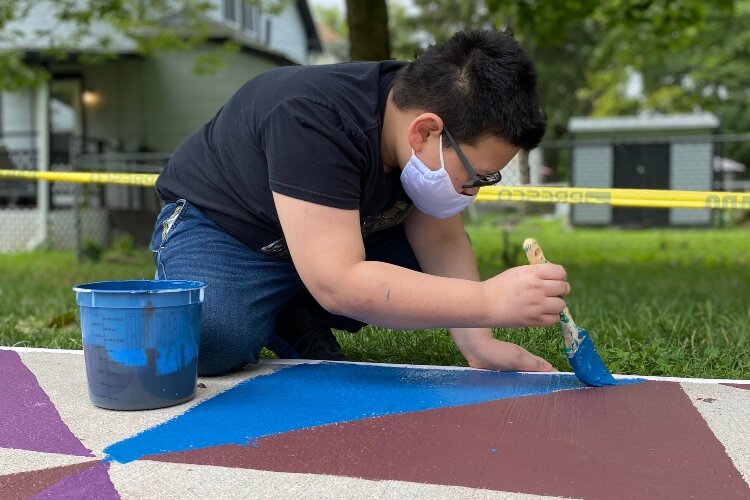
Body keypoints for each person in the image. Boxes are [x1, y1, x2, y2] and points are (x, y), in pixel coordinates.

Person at [150, 29, 570, 377]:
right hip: (229, 232)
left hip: (324, 239)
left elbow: (439, 239)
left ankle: (292, 311)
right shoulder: (313, 117)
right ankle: (277, 307)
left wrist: (479, 342)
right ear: (425, 132)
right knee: (207, 342)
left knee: (419, 273)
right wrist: (488, 301)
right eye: (478, 175)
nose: (475, 189)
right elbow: (340, 282)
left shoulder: (419, 114)